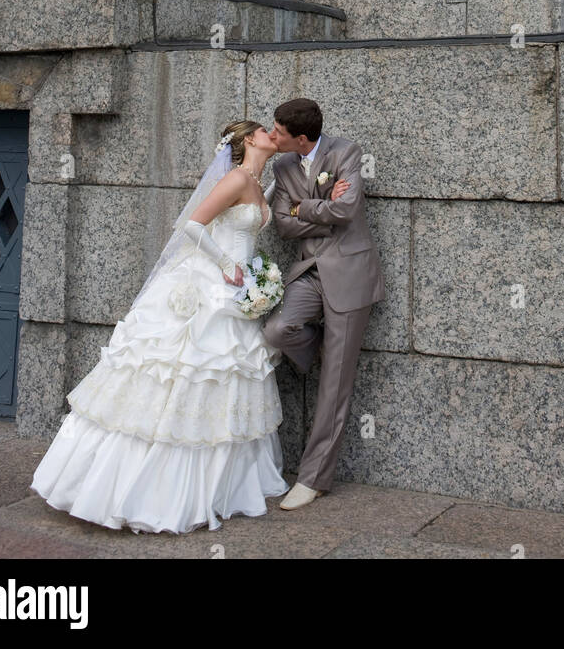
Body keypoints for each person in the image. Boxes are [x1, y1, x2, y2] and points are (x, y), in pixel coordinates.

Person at [29, 121, 289, 533]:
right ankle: (139, 491)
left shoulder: (258, 182)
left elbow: (251, 224)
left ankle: (226, 486)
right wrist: (226, 266)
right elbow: (193, 225)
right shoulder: (237, 177)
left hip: (237, 295)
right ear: (248, 140)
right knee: (181, 373)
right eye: (265, 131)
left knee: (226, 377)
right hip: (212, 286)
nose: (272, 136)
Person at [263, 98, 385, 509]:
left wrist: (305, 208)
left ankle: (313, 478)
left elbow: (346, 209)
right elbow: (283, 223)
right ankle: (324, 347)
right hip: (310, 272)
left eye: (278, 131)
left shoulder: (345, 151)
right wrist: (319, 207)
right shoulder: (281, 167)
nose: (271, 135)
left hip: (349, 275)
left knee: (335, 386)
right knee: (278, 330)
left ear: (301, 138)